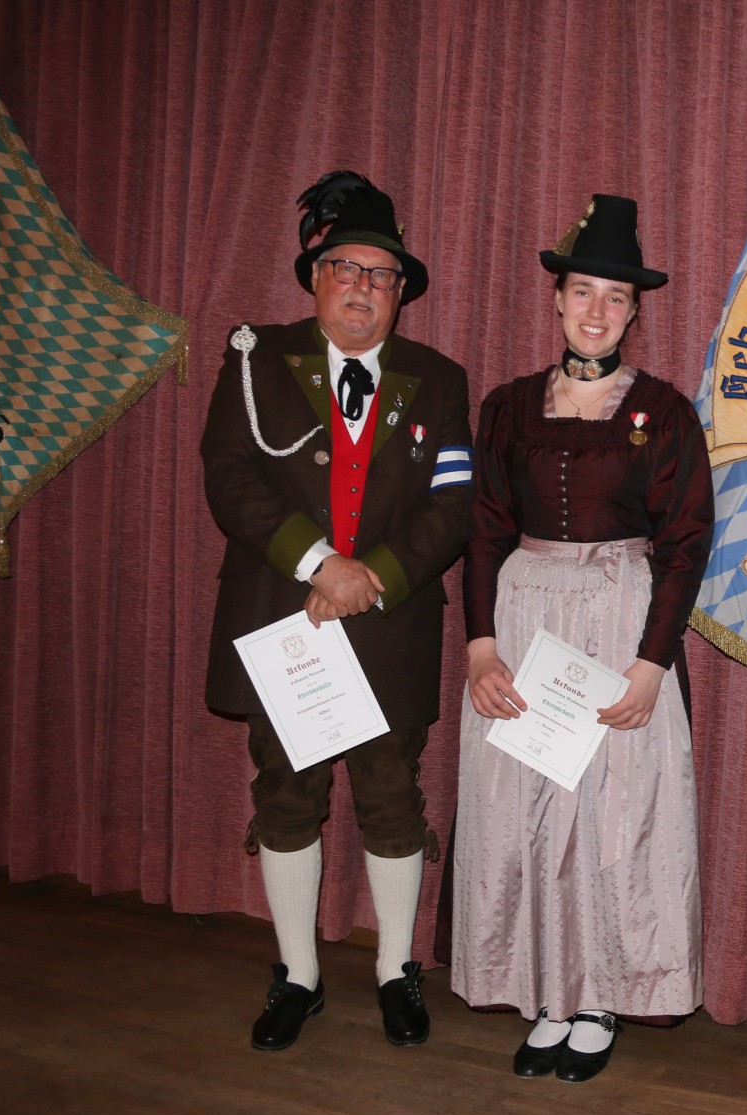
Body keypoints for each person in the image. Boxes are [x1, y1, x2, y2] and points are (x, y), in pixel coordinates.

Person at [202, 171, 473, 1052]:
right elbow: (228, 477)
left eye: (380, 274)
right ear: (316, 278)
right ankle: (299, 975)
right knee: (287, 795)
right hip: (290, 624)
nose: (362, 286)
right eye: (346, 268)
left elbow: (454, 506)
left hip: (391, 622)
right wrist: (322, 565)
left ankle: (396, 969)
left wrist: (374, 575)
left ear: (400, 292)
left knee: (393, 797)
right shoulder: (255, 360)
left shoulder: (440, 380)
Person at [450, 194, 713, 1083]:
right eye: (582, 292)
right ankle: (549, 993)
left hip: (618, 623)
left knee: (613, 815)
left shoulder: (664, 413)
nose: (597, 311)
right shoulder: (508, 407)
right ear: (557, 299)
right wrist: (480, 646)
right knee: (526, 809)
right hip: (525, 621)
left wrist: (651, 666)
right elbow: (484, 528)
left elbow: (685, 543)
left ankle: (602, 998)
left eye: (616, 297)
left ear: (634, 312)